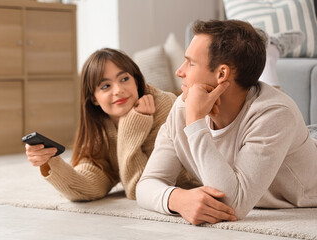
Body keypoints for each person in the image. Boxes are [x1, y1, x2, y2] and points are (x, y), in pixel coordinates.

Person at [136, 19, 317, 225]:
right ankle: (272, 52)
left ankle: (272, 53)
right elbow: (146, 184)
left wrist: (195, 122)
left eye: (191, 62)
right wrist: (176, 199)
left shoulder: (275, 114)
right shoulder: (182, 107)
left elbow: (232, 205)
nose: (180, 71)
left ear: (221, 74)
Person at [25, 48, 179, 201]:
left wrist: (131, 127)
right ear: (94, 99)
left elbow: (143, 190)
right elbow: (88, 186)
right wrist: (49, 161)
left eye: (124, 79)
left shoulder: (164, 107)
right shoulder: (100, 125)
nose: (119, 90)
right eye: (105, 86)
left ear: (136, 81)